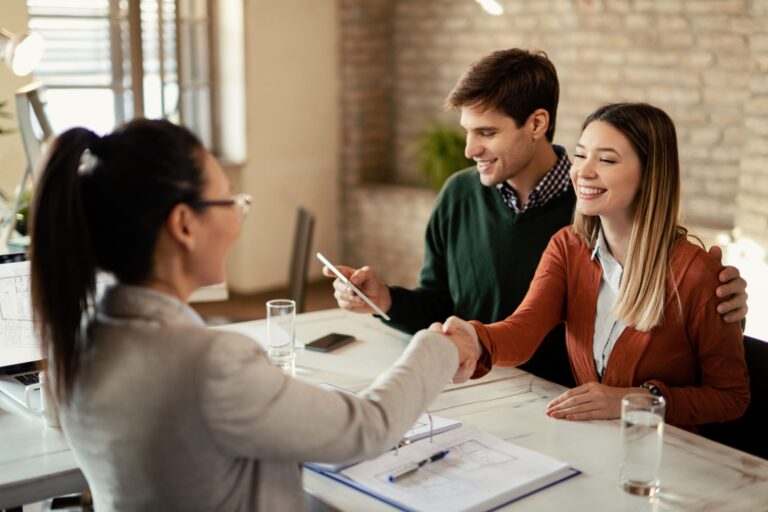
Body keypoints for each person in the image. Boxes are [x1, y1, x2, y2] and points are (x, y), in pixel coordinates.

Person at [29, 119, 479, 511]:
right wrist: (437, 347)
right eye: (229, 201)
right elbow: (369, 427)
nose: (238, 218)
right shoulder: (210, 364)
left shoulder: (77, 342)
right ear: (184, 225)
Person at [325, 48, 748, 388]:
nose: (470, 149)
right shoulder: (459, 195)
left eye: (486, 132)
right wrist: (386, 300)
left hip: (564, 398)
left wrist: (722, 302)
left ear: (537, 123)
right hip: (475, 379)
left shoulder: (597, 210)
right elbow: (448, 305)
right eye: (467, 132)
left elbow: (681, 332)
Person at [438, 103, 750, 431]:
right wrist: (472, 337)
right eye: (581, 155)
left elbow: (731, 397)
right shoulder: (568, 247)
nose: (583, 171)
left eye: (606, 159)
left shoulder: (699, 275)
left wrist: (636, 399)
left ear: (650, 174)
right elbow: (523, 329)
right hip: (593, 444)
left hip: (665, 462)